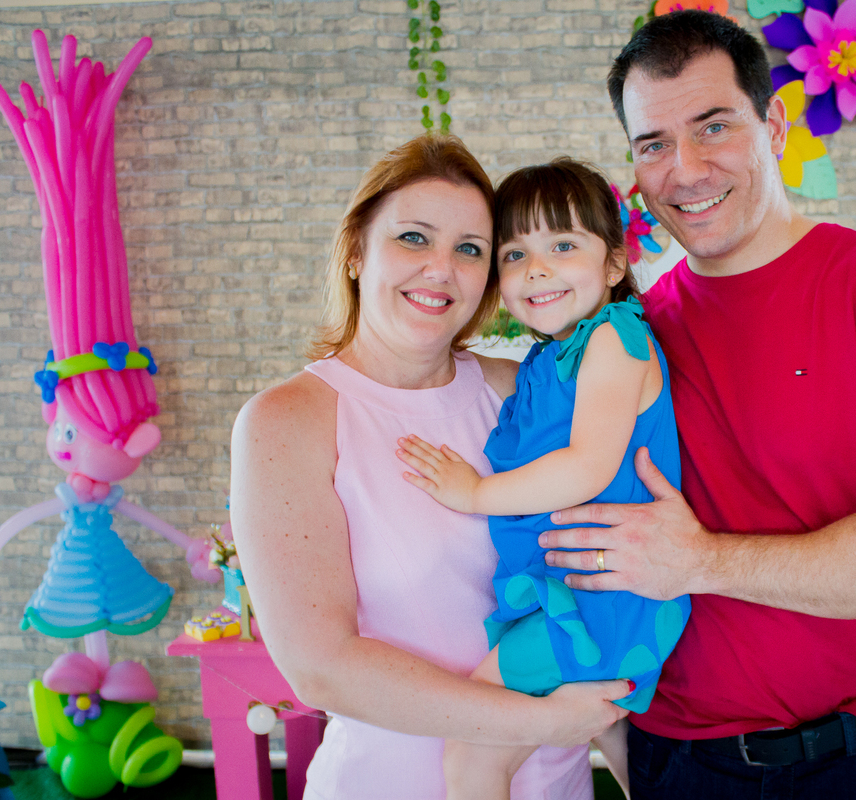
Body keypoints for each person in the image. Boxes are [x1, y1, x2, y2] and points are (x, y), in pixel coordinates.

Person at [538, 11, 856, 799]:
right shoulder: (630, 338)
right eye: (653, 144)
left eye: (713, 126)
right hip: (674, 762)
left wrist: (703, 561)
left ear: (775, 126)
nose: (684, 169)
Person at [230, 136, 632, 800]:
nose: (441, 269)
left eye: (470, 249)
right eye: (414, 239)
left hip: (554, 781)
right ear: (358, 249)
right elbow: (321, 667)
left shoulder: (524, 391)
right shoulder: (287, 421)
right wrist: (544, 719)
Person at [396, 158, 690, 799]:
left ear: (614, 265)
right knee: (638, 767)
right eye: (514, 254)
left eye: (563, 246)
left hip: (604, 598)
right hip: (579, 591)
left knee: (475, 750)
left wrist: (473, 492)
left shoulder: (615, 337)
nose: (537, 269)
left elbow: (587, 466)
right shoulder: (545, 356)